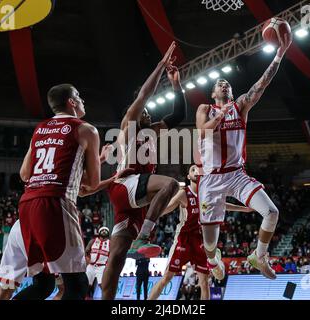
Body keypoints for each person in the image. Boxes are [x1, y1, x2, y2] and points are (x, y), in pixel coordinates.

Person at [195, 33, 292, 281]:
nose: (224, 84)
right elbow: (203, 131)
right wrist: (221, 114)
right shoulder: (205, 109)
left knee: (272, 212)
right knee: (210, 245)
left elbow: (261, 84)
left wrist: (279, 54)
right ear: (213, 92)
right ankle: (213, 260)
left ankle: (259, 256)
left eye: (227, 83)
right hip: (211, 179)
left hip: (237, 175)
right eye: (219, 83)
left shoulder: (240, 106)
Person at [102, 42, 187, 299]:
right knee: (171, 185)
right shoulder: (129, 125)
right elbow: (142, 98)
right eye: (146, 112)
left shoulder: (152, 131)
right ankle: (145, 235)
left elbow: (179, 114)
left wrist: (176, 84)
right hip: (126, 184)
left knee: (116, 258)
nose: (149, 114)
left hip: (134, 199)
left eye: (150, 113)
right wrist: (161, 66)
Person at [16, 83, 101, 300]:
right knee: (77, 285)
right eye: (79, 96)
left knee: (43, 285)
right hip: (55, 203)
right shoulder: (87, 129)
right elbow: (93, 182)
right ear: (71, 102)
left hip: (27, 204)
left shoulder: (40, 129)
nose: (83, 100)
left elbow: (25, 174)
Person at [148, 165, 253, 300]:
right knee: (166, 278)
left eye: (199, 170)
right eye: (193, 170)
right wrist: (152, 212)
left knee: (204, 282)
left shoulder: (208, 194)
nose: (197, 171)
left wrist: (244, 209)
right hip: (183, 239)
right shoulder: (183, 193)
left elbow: (223, 205)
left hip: (200, 240)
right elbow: (167, 208)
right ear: (188, 177)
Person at [85, 226, 110, 297]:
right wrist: (87, 258)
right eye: (102, 230)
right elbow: (86, 251)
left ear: (108, 233)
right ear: (99, 232)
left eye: (106, 230)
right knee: (86, 285)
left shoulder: (110, 243)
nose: (104, 231)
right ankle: (86, 297)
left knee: (102, 285)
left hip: (101, 267)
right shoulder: (93, 241)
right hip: (91, 266)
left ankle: (105, 298)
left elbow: (112, 256)